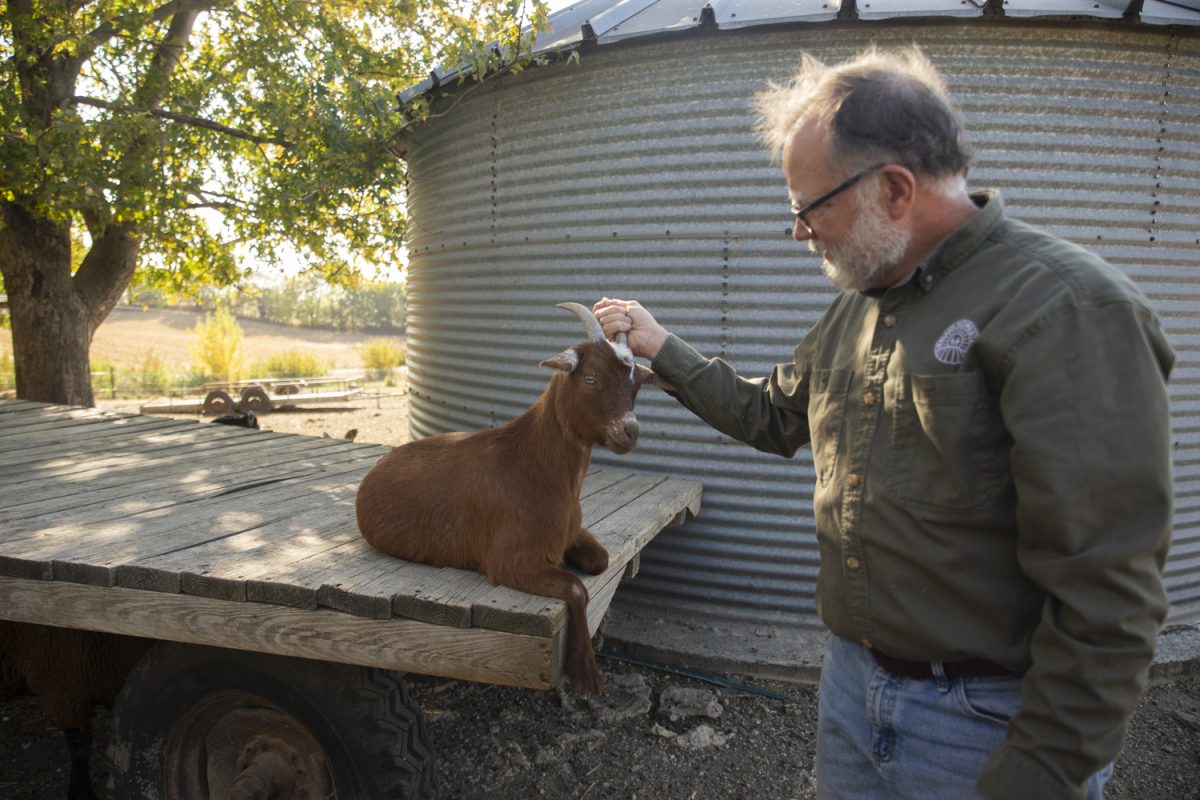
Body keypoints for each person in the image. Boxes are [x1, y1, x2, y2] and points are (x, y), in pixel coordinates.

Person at [594, 46, 1175, 800]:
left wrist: (1043, 771)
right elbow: (770, 416)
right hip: (849, 685)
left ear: (895, 189)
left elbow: (1109, 588)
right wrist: (659, 346)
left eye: (809, 208)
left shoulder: (1065, 309)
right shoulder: (858, 309)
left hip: (987, 721)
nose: (799, 232)